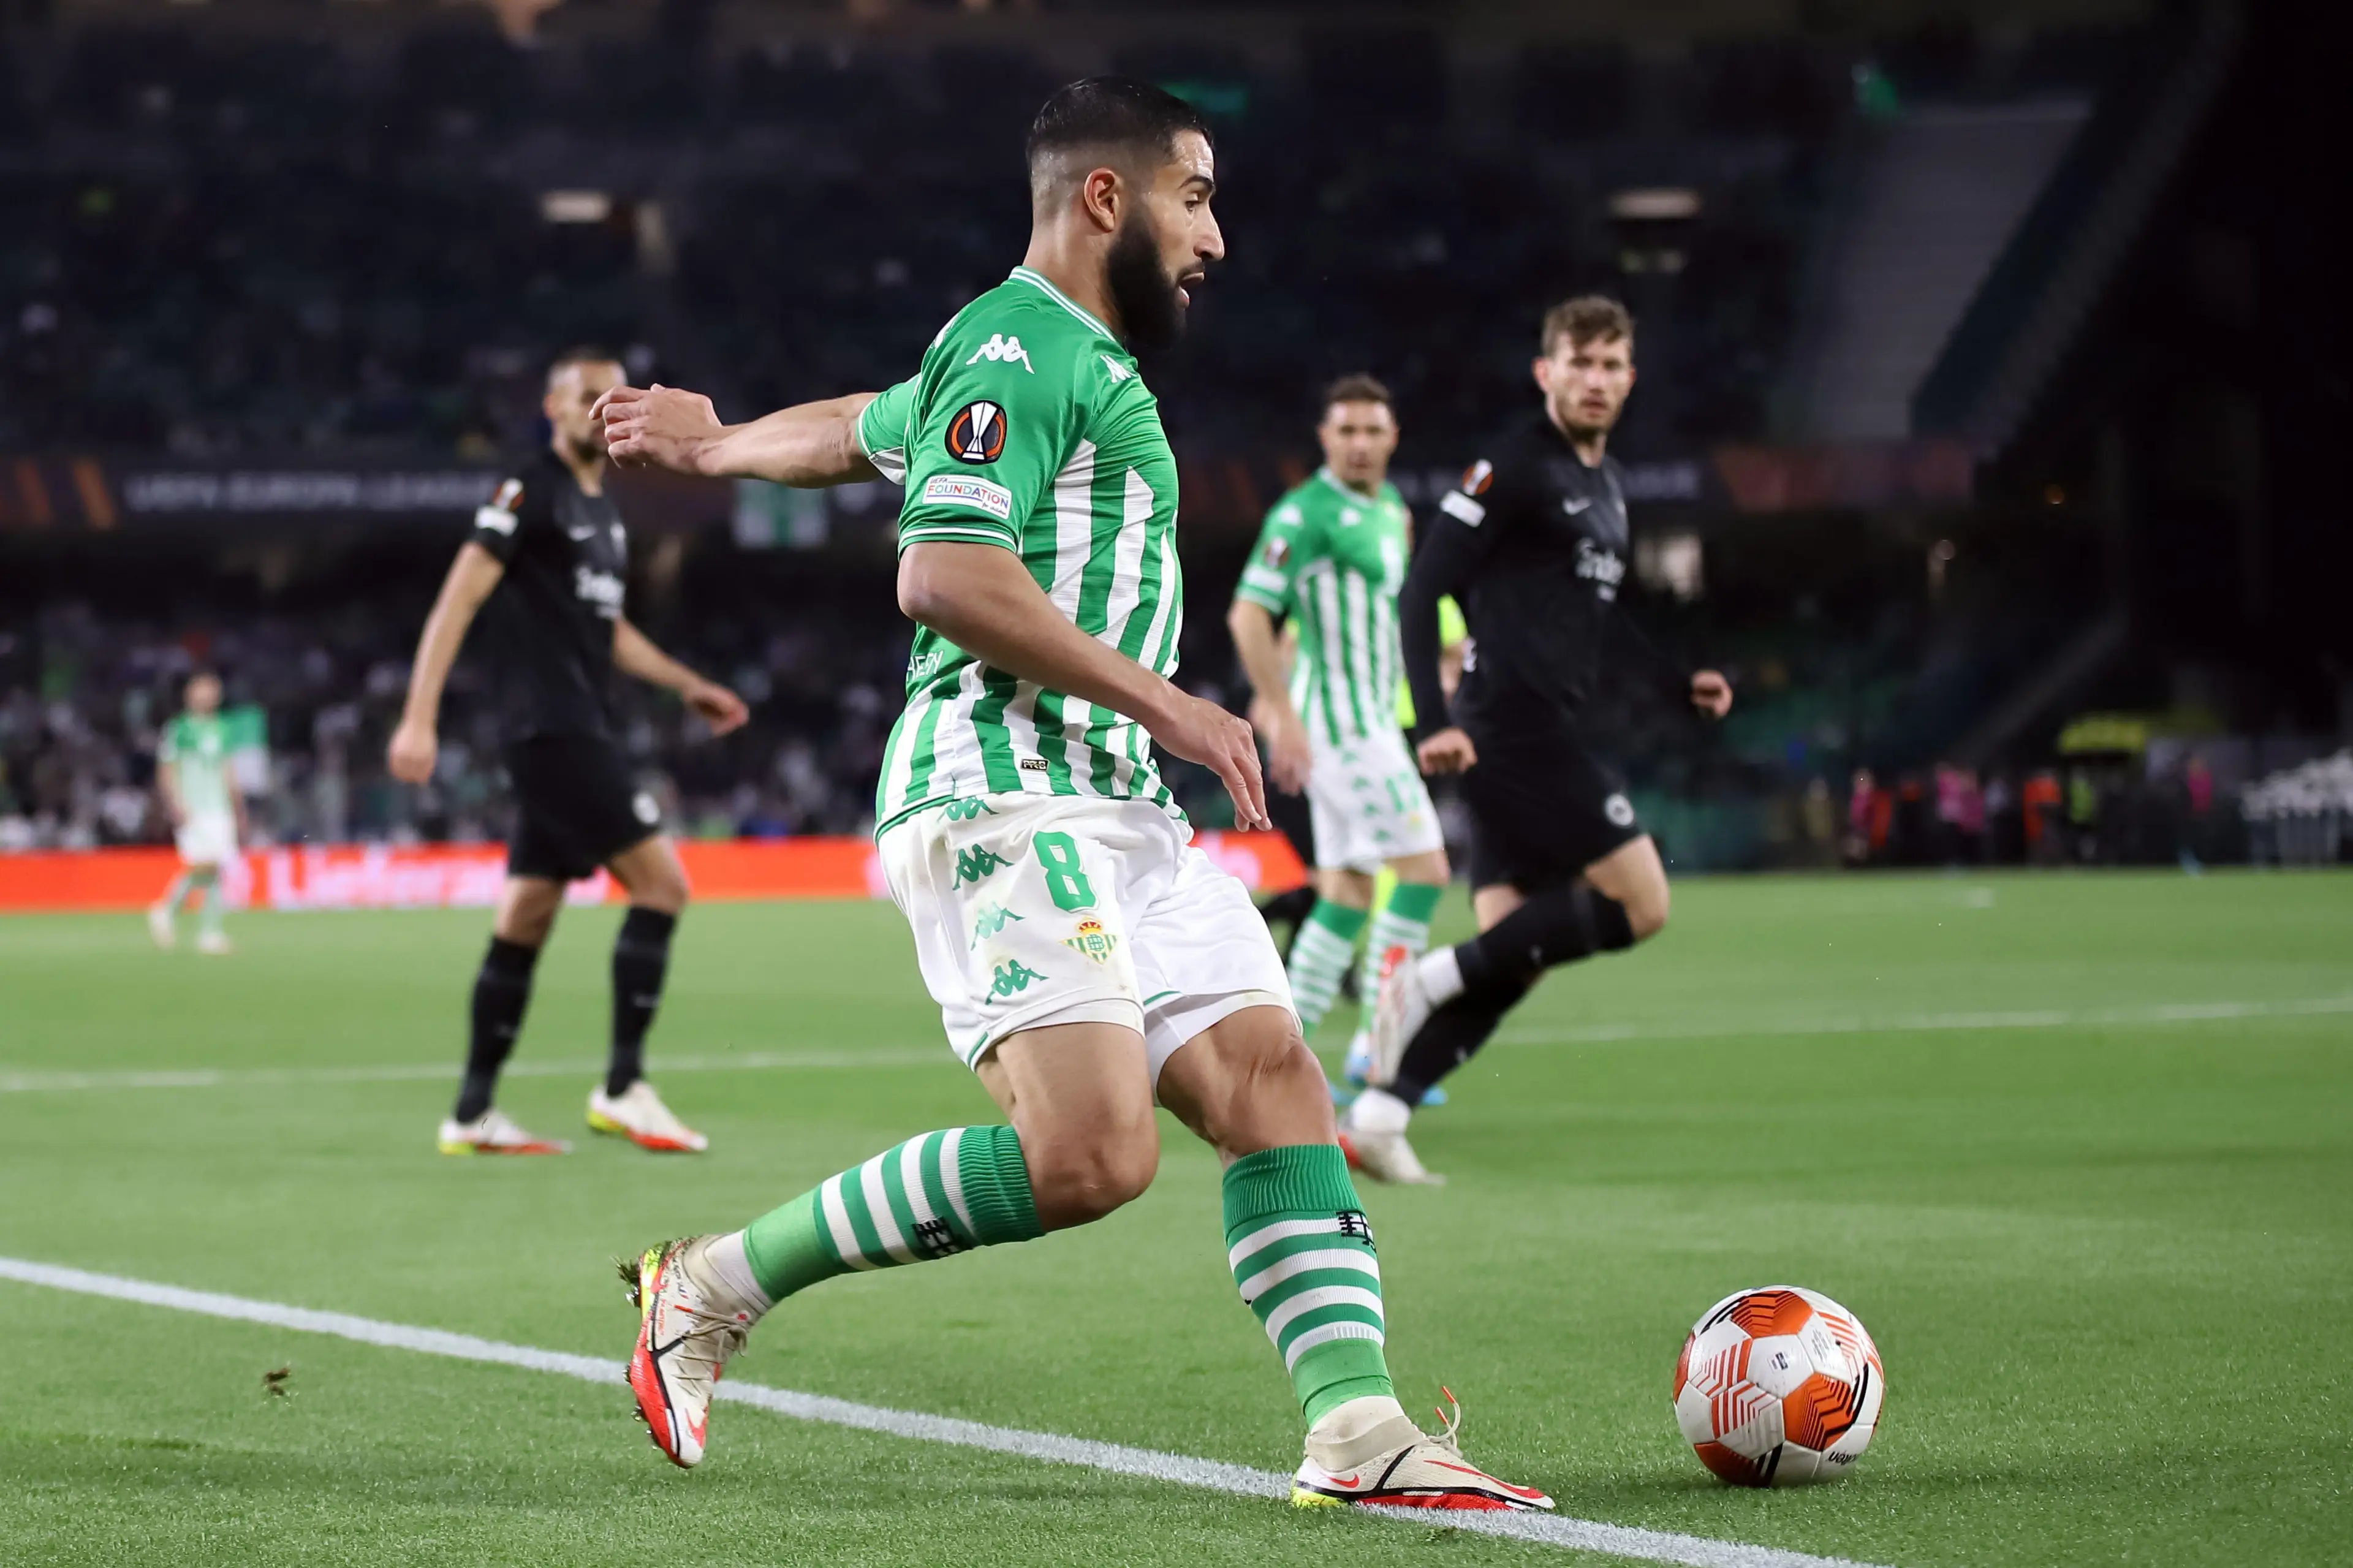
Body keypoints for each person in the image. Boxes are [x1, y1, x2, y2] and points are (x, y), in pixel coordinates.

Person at [591, 78, 1550, 1512]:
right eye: (1196, 196)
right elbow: (943, 574)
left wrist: (721, 441)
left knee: (1275, 1085)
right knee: (1092, 1152)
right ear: (1107, 199)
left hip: (1113, 807)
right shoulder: (1018, 339)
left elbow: (871, 422)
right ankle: (710, 1286)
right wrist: (1173, 702)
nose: (1215, 237)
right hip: (1002, 785)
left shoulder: (1036, 356)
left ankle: (1356, 1427)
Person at [1343, 297, 1732, 1184]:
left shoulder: (1607, 485)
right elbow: (1419, 591)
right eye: (1579, 362)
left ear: (1630, 377)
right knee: (1642, 903)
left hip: (1536, 724)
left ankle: (1378, 1113)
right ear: (1545, 371)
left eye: (1611, 365)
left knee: (1518, 956)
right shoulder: (1512, 466)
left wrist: (1679, 680)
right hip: (1506, 729)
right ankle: (1426, 978)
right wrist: (1433, 724)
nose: (1595, 380)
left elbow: (1600, 618)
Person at [387, 348, 749, 1158]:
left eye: (609, 396)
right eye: (584, 395)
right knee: (663, 884)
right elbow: (460, 594)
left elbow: (607, 630)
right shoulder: (530, 490)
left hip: (578, 719)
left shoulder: (604, 515)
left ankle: (472, 1111)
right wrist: (419, 717)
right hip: (553, 728)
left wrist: (687, 683)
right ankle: (624, 1086)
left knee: (525, 914)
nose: (598, 409)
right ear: (552, 407)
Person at [1226, 376, 1450, 1066]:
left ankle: (1279, 1060)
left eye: (1371, 431)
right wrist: (1284, 714)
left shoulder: (1390, 510)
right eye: (1345, 431)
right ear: (1325, 438)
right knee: (1424, 872)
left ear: (1392, 439)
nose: (1358, 444)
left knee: (1349, 892)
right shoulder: (1305, 512)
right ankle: (1380, 1051)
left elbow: (1313, 618)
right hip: (1343, 730)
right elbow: (1250, 613)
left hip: (1370, 720)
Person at [148, 670, 244, 956]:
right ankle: (167, 909)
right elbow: (166, 770)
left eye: (213, 690)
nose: (208, 695)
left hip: (220, 808)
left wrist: (237, 807)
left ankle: (208, 932)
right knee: (205, 864)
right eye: (202, 689)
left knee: (216, 869)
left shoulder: (223, 728)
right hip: (194, 806)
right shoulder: (179, 729)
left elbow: (227, 769)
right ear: (189, 694)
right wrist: (175, 804)